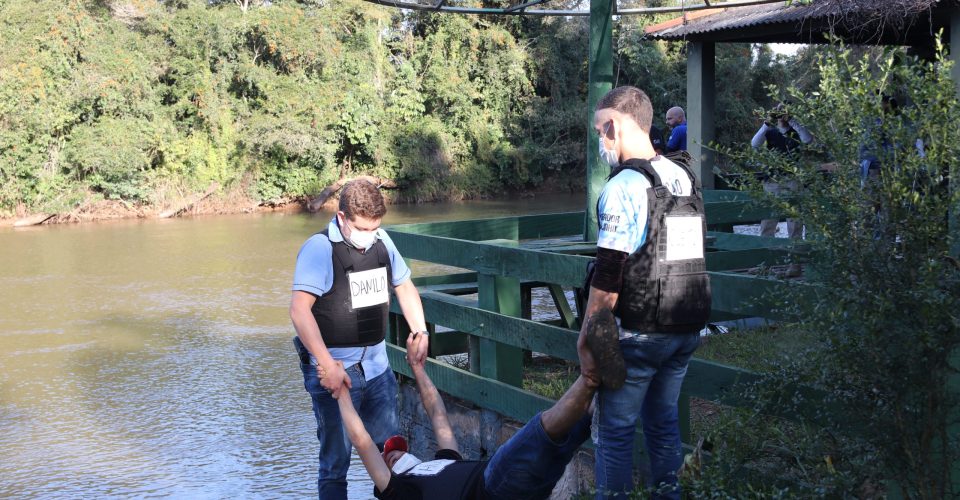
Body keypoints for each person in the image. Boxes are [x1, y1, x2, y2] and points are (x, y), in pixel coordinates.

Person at [337, 309, 625, 500]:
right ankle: (591, 374)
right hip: (491, 487)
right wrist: (341, 393)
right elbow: (362, 442)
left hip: (513, 486)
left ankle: (612, 383)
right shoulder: (400, 491)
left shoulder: (442, 462)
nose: (395, 452)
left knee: (575, 431)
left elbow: (437, 414)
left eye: (397, 449)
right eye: (390, 456)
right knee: (539, 433)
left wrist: (417, 368)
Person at [586, 86, 711, 499]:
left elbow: (608, 274)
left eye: (599, 131)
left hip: (639, 332)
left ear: (614, 126)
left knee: (615, 432)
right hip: (687, 325)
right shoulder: (684, 175)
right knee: (664, 423)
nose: (599, 141)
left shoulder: (623, 185)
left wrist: (588, 336)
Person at [290, 179, 431, 499]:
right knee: (335, 467)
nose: (370, 236)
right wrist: (328, 365)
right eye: (363, 229)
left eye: (376, 227)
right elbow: (300, 311)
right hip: (336, 369)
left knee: (395, 456)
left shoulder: (381, 241)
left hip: (378, 368)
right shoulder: (320, 248)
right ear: (342, 218)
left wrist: (420, 330)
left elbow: (404, 285)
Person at [750, 104, 813, 277]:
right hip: (772, 181)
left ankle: (795, 266)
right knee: (767, 224)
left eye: (783, 112)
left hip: (793, 181)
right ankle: (766, 264)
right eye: (779, 113)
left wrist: (792, 120)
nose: (781, 116)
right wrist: (767, 122)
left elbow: (808, 140)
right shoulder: (770, 131)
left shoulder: (797, 130)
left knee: (795, 225)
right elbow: (754, 143)